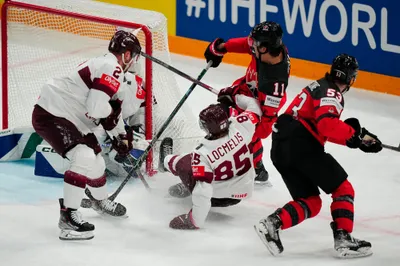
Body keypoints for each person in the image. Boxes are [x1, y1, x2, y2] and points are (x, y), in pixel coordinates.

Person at [253, 54, 382, 258]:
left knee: (311, 201)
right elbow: (327, 125)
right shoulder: (332, 92)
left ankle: (271, 224)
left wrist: (356, 141)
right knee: (343, 188)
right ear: (351, 78)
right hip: (301, 145)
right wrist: (353, 135)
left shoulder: (319, 86)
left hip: (281, 148)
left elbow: (322, 128)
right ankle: (343, 238)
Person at [32, 30, 141, 240]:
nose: (133, 62)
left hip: (70, 116)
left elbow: (108, 112)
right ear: (126, 54)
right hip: (52, 112)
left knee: (97, 165)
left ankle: (99, 202)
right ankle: (68, 217)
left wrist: (119, 136)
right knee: (83, 156)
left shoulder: (108, 66)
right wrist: (112, 123)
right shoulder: (112, 68)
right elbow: (97, 108)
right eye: (133, 56)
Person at [204, 21, 291, 186]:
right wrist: (223, 47)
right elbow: (248, 43)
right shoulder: (270, 49)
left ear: (264, 48)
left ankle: (246, 166)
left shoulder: (274, 85)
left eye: (256, 44)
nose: (252, 45)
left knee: (237, 130)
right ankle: (257, 167)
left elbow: (264, 128)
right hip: (246, 89)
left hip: (259, 105)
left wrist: (241, 133)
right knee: (220, 120)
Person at [159, 95, 262, 230]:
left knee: (186, 164)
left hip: (218, 197)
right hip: (243, 189)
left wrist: (194, 221)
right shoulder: (241, 125)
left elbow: (203, 192)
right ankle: (189, 184)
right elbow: (255, 106)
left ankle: (165, 162)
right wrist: (236, 97)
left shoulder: (202, 155)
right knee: (205, 170)